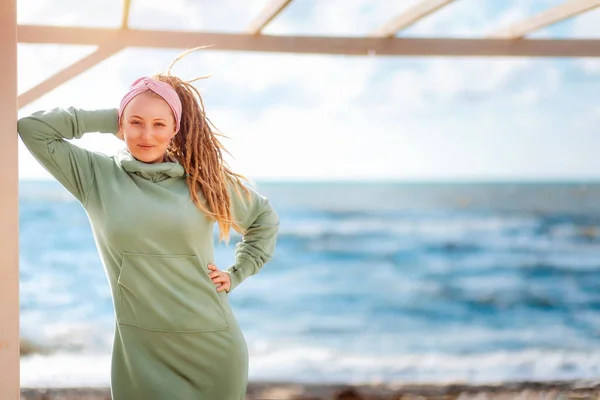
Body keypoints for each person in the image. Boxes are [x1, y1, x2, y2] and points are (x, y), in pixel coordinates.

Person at [17, 49, 280, 400]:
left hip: (212, 346)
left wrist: (238, 272)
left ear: (176, 128)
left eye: (159, 124)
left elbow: (264, 219)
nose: (146, 135)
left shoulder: (204, 182)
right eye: (136, 122)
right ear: (121, 123)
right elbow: (33, 129)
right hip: (139, 352)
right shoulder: (95, 175)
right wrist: (115, 117)